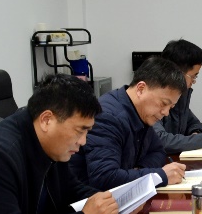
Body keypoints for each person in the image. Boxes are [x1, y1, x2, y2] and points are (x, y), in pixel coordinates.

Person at [0, 74, 119, 214]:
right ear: (47, 120)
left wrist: (114, 202)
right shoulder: (0, 155)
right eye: (80, 130)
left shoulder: (51, 143)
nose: (83, 141)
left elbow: (70, 189)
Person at [69, 56, 188, 189]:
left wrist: (136, 172)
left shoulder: (143, 112)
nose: (166, 112)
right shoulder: (108, 117)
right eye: (163, 103)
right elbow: (104, 178)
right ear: (141, 89)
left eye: (171, 107)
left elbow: (158, 152)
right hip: (87, 202)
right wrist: (158, 176)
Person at [153, 39, 202, 154]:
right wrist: (201, 140)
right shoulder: (153, 96)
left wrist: (195, 135)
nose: (194, 82)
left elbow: (194, 123)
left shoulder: (180, 96)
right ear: (177, 72)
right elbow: (159, 140)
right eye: (193, 76)